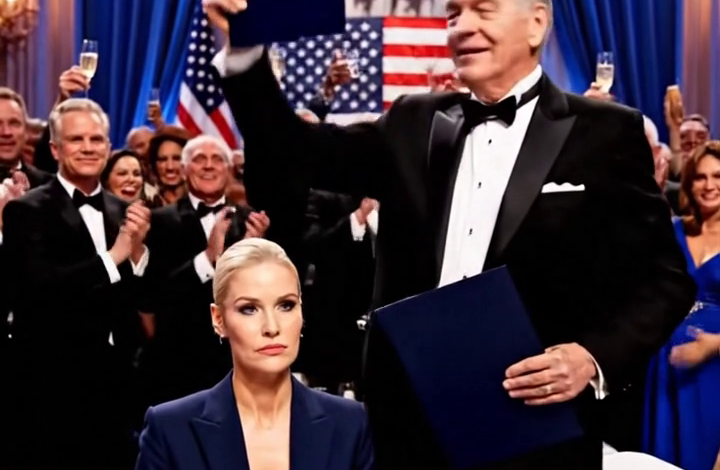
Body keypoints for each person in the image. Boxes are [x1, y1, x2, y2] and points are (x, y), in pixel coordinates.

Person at [204, 0, 695, 468]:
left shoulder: (606, 132)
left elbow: (666, 280)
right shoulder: (413, 121)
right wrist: (245, 58)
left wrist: (591, 358)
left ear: (536, 24)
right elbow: (296, 152)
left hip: (539, 427)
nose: (462, 26)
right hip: (408, 426)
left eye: (483, 10)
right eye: (454, 13)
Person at [135, 238, 374, 470]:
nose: (272, 327)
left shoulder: (351, 425)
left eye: (286, 305)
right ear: (218, 320)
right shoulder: (171, 430)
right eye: (249, 309)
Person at [4, 98, 151, 470]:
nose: (88, 148)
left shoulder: (122, 210)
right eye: (76, 139)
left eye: (96, 139)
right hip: (52, 386)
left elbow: (139, 301)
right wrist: (114, 258)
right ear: (55, 149)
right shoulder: (27, 210)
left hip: (118, 386)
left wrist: (137, 259)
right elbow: (40, 291)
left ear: (109, 147)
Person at [140, 134, 270, 408]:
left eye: (217, 159)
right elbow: (156, 294)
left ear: (229, 169)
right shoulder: (160, 222)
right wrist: (208, 259)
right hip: (179, 364)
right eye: (200, 159)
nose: (209, 165)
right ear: (185, 169)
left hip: (238, 361)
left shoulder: (252, 220)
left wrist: (253, 254)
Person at [643, 141, 720, 470]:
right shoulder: (673, 230)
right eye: (700, 177)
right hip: (666, 368)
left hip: (714, 370)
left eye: (718, 176)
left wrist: (714, 345)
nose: (709, 185)